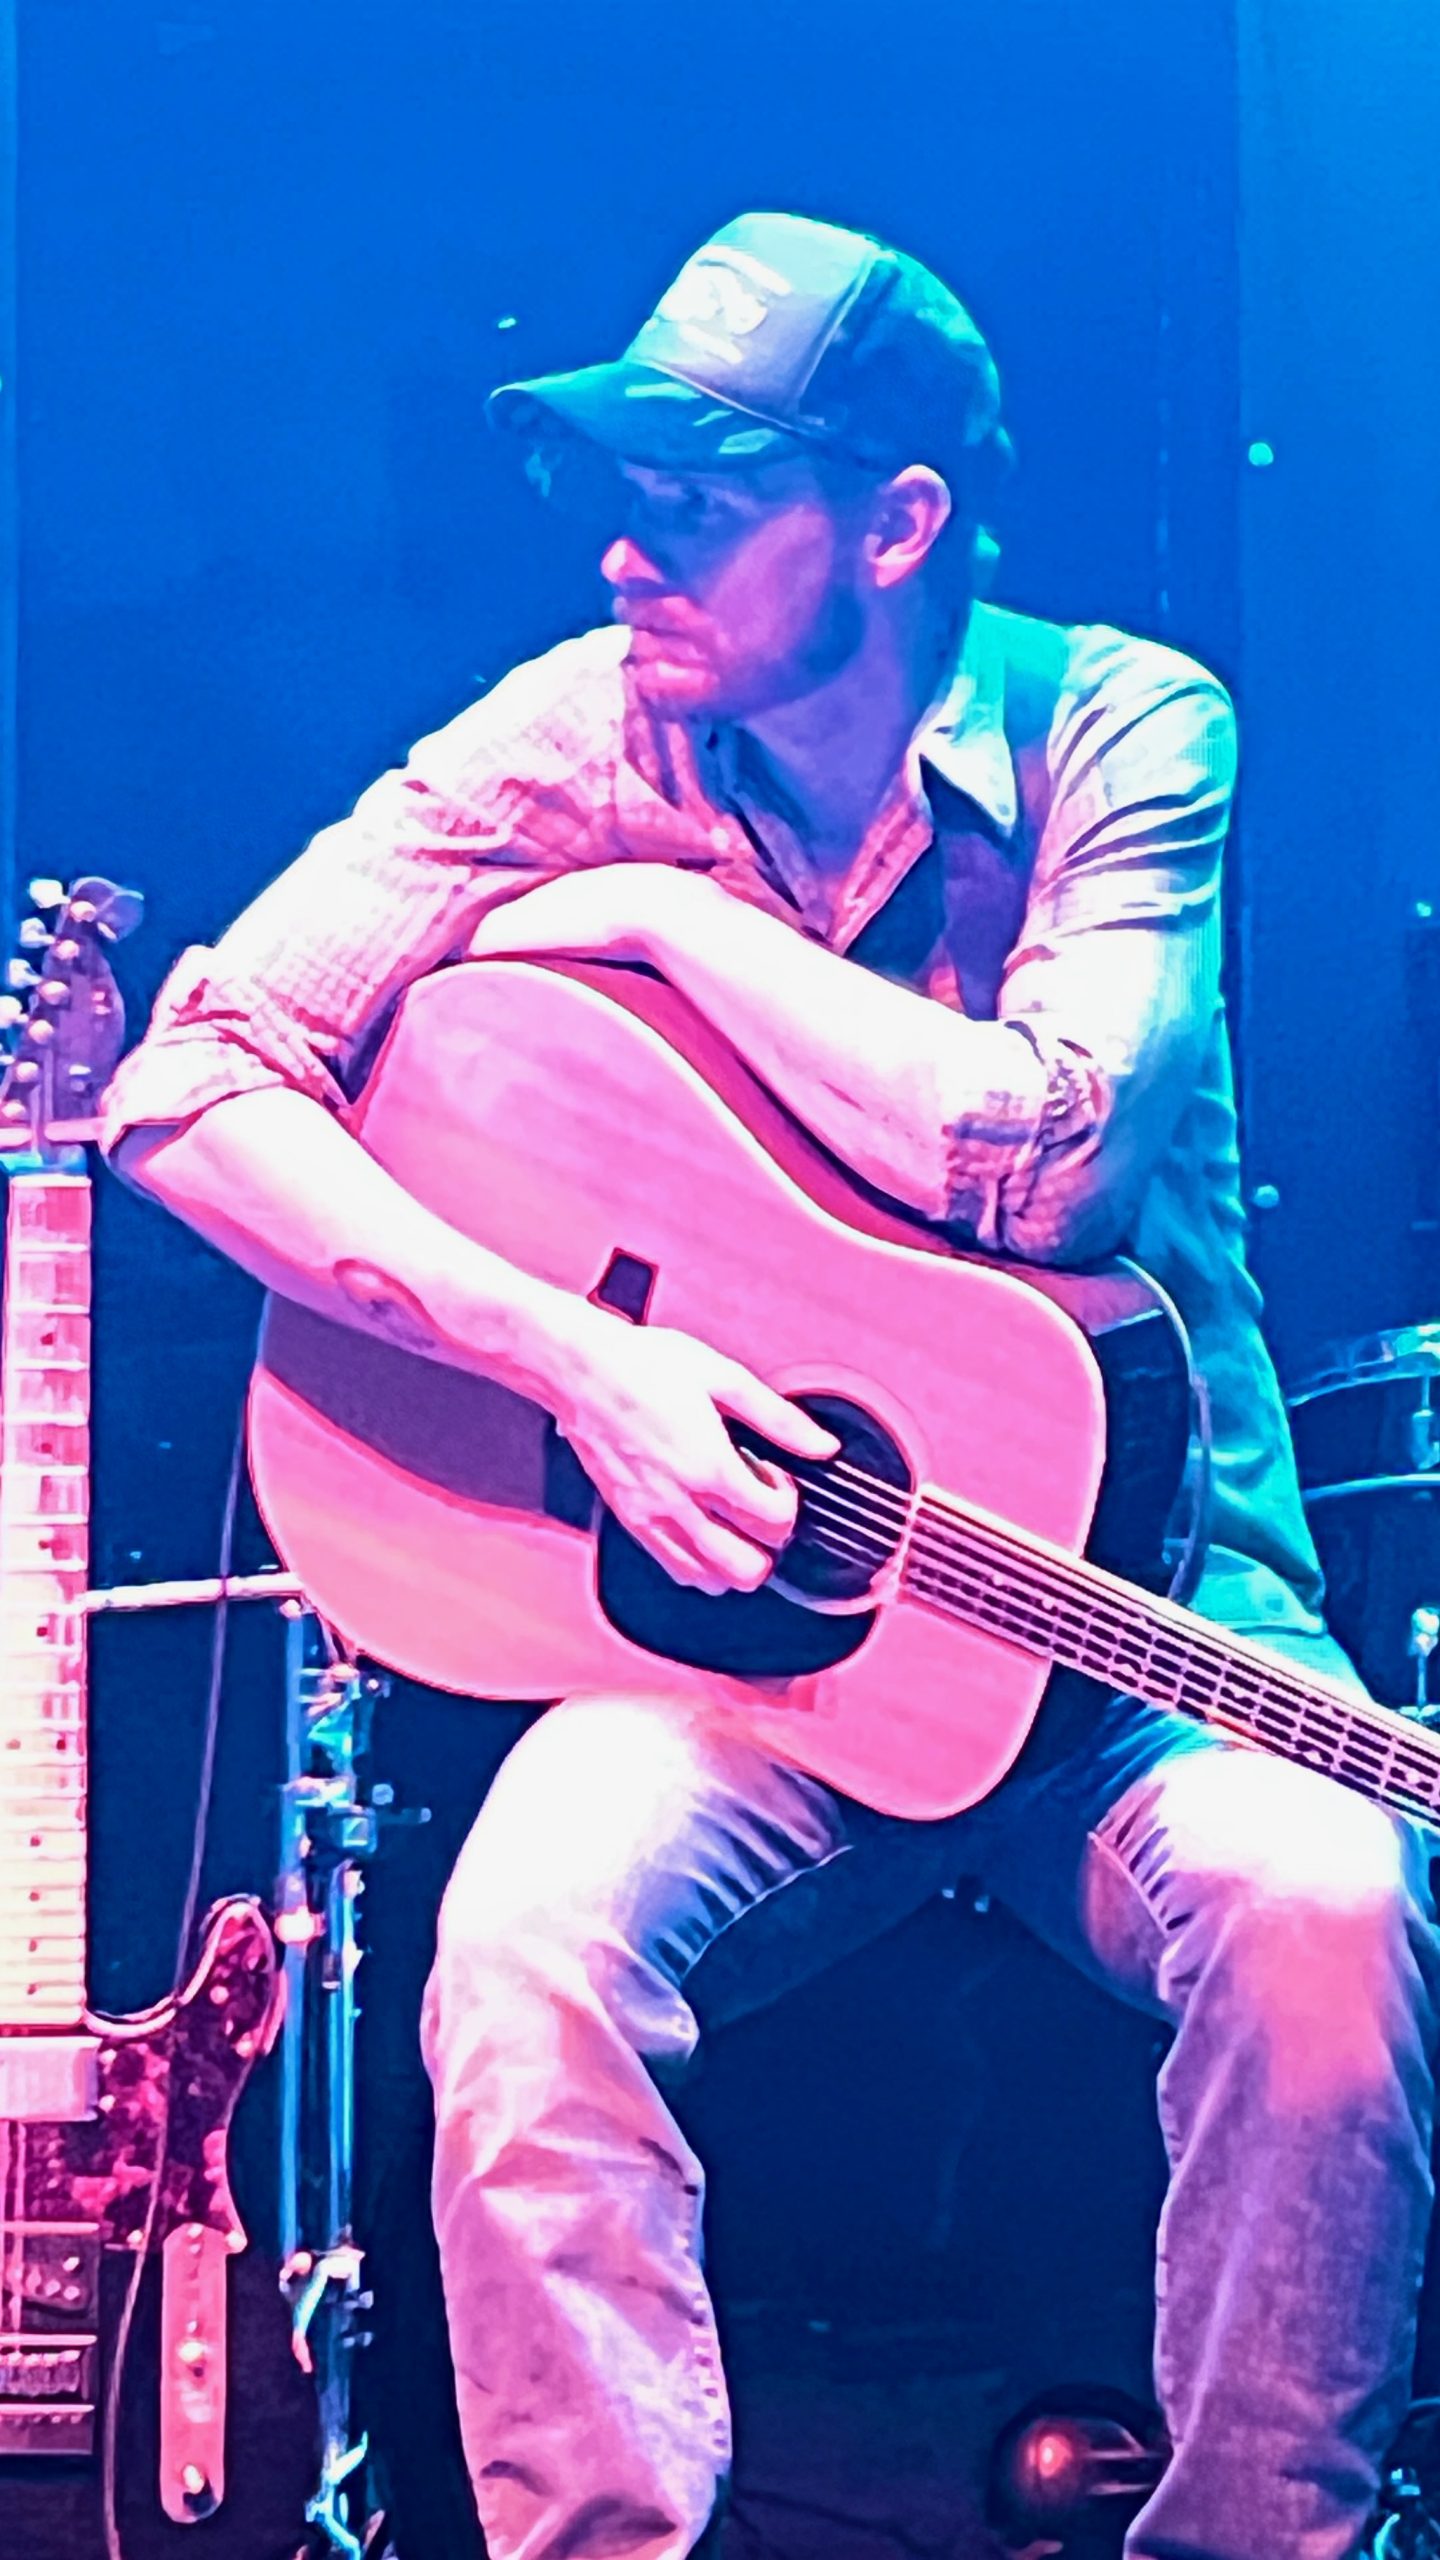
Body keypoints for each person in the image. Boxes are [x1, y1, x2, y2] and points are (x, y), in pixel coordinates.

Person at [104, 212, 1437, 2560]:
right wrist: (580, 1361)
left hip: (1148, 1621)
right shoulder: (580, 720)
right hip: (758, 1657)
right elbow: (190, 1082)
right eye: (623, 495)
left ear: (898, 521)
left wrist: (671, 918)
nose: (629, 553)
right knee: (523, 1946)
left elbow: (1047, 1156)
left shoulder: (1123, 728)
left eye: (703, 502)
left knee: (1327, 1905)